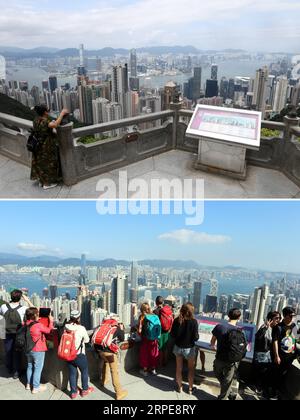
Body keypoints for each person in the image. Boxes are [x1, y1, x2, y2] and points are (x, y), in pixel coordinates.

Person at [211, 308, 247, 400]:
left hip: (219, 358)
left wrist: (214, 346)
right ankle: (229, 392)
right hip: (232, 361)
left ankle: (222, 398)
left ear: (228, 315)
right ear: (239, 317)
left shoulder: (219, 327)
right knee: (227, 380)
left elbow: (213, 341)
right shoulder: (240, 331)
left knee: (217, 373)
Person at [30, 104, 69, 190]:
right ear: (45, 112)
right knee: (48, 164)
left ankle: (41, 181)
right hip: (46, 146)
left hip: (37, 145)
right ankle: (47, 184)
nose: (49, 111)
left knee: (40, 163)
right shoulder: (45, 121)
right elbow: (55, 125)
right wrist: (62, 114)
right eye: (48, 110)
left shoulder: (36, 120)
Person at [0, 289, 33, 378]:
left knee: (8, 351)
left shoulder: (3, 306)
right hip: (19, 334)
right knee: (17, 353)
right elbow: (34, 311)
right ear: (20, 298)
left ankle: (9, 368)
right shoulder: (23, 309)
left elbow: (1, 318)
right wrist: (27, 300)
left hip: (6, 333)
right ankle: (16, 372)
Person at [95, 317, 128, 401]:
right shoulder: (116, 328)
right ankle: (119, 393)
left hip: (100, 351)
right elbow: (122, 338)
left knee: (106, 363)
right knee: (114, 372)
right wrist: (121, 329)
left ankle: (104, 381)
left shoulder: (101, 326)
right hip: (110, 353)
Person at [65, 310, 94, 399]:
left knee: (72, 373)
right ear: (78, 318)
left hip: (68, 354)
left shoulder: (65, 327)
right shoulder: (81, 328)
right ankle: (85, 390)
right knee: (84, 371)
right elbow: (87, 340)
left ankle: (73, 392)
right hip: (79, 355)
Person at [170, 303, 199, 394]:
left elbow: (172, 335)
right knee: (191, 369)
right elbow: (195, 338)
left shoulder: (176, 320)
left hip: (178, 347)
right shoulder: (194, 322)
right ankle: (190, 389)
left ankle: (180, 387)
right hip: (189, 349)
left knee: (179, 368)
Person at [25, 307, 54, 394]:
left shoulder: (25, 323)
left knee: (30, 366)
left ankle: (28, 384)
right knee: (38, 368)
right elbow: (50, 331)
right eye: (37, 314)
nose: (38, 314)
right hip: (38, 350)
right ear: (34, 315)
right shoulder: (38, 325)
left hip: (28, 349)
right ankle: (36, 387)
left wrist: (37, 319)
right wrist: (51, 321)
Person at [253, 311, 281, 398]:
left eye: (279, 318)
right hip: (262, 355)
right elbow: (257, 337)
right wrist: (265, 327)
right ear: (270, 319)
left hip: (267, 355)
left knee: (265, 373)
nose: (278, 320)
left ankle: (261, 389)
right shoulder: (265, 327)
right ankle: (259, 389)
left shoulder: (274, 328)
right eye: (276, 318)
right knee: (261, 373)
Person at [272, 307, 298, 395]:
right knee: (277, 375)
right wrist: (276, 356)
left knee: (284, 375)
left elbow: (296, 338)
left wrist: (294, 351)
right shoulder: (278, 327)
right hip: (280, 355)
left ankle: (280, 392)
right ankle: (273, 392)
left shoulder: (294, 325)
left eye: (293, 316)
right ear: (285, 316)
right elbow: (275, 341)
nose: (292, 318)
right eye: (290, 316)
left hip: (290, 356)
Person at [138, 303, 160, 377]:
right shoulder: (154, 316)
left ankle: (145, 370)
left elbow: (140, 331)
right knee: (153, 354)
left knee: (145, 354)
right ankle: (153, 369)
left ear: (142, 310)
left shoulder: (142, 317)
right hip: (154, 339)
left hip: (145, 339)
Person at [153, 296, 173, 367]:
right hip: (167, 332)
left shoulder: (155, 312)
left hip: (159, 332)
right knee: (165, 347)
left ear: (156, 303)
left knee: (160, 348)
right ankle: (165, 361)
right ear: (163, 302)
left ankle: (160, 363)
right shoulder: (167, 311)